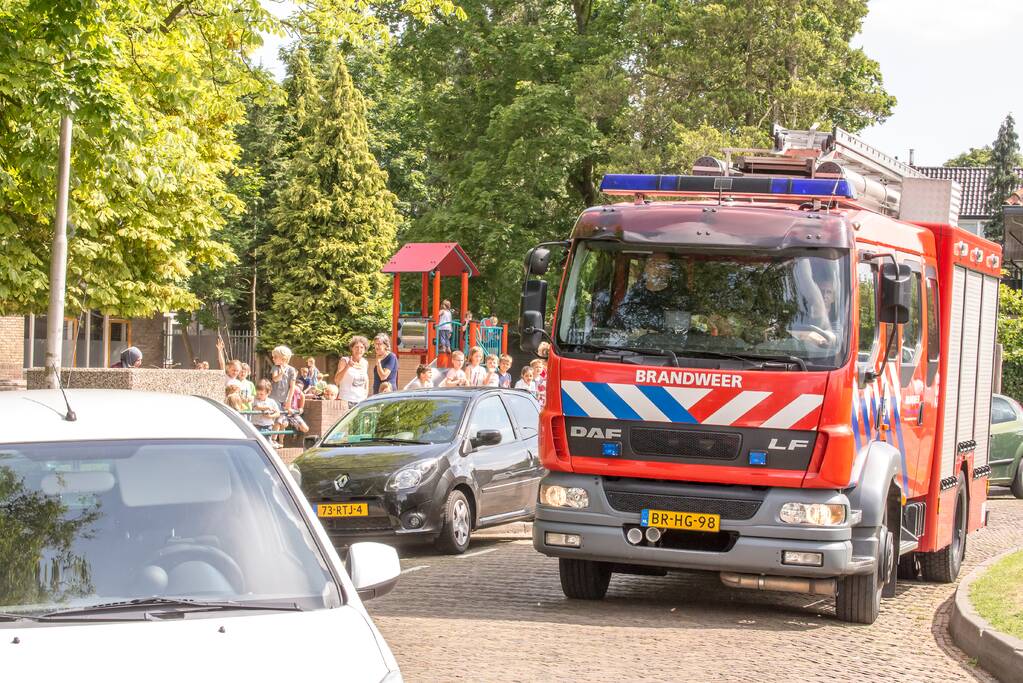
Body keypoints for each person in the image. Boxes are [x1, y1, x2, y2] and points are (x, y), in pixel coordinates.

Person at [611, 252, 687, 332]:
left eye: (662, 264)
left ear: (669, 271)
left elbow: (681, 330)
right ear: (646, 268)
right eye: (652, 264)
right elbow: (617, 326)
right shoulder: (633, 295)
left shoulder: (679, 297)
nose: (656, 268)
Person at [335, 336, 370, 409]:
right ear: (352, 349)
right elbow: (337, 380)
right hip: (346, 400)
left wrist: (365, 396)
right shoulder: (344, 360)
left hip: (360, 402)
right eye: (356, 347)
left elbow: (366, 381)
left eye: (362, 347)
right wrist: (347, 366)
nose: (359, 350)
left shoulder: (365, 363)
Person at [269, 345, 297, 415]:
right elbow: (275, 379)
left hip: (284, 399)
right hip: (274, 398)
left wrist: (289, 400)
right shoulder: (275, 367)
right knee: (277, 418)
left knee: (283, 421)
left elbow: (292, 387)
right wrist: (281, 374)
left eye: (275, 357)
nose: (273, 359)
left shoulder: (291, 370)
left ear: (283, 358)